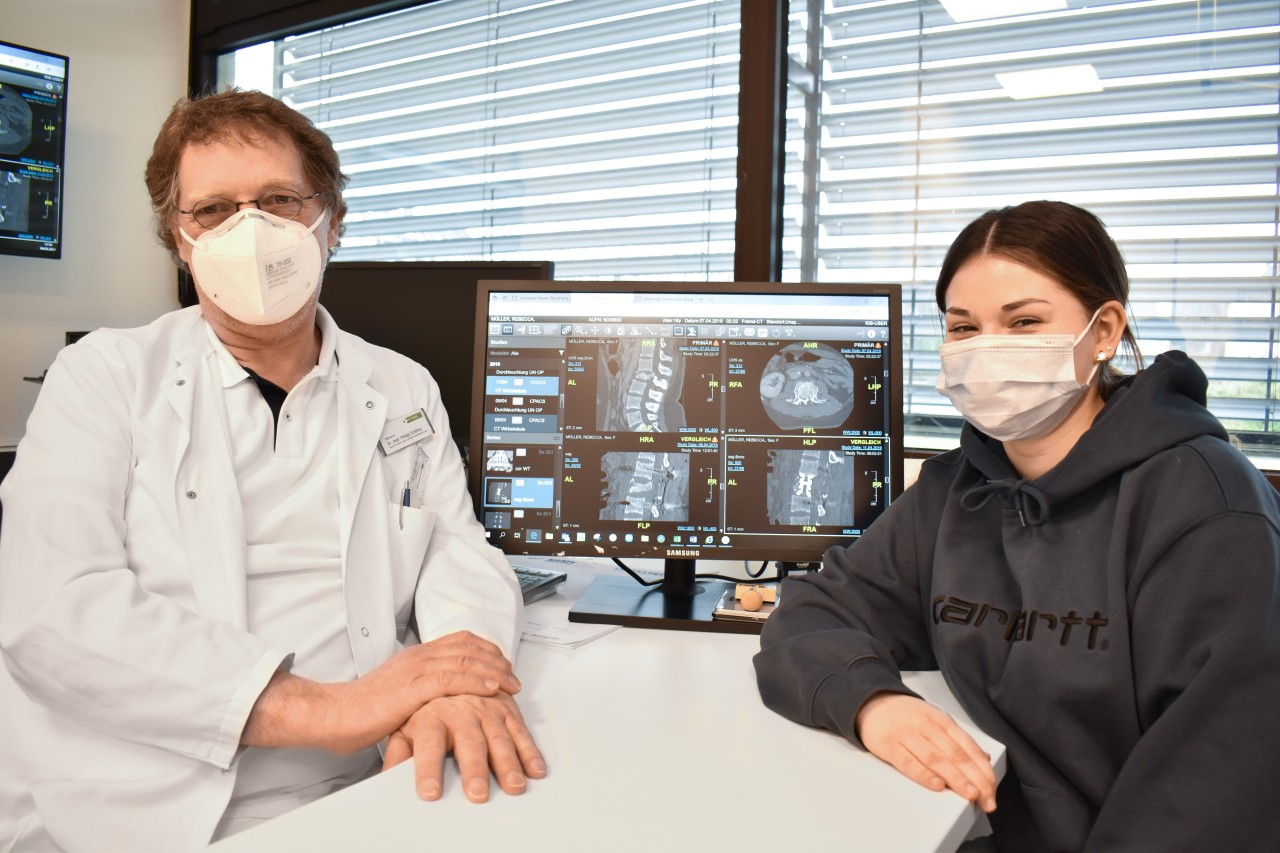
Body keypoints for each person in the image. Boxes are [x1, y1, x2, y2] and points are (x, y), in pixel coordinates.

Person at [0, 89, 544, 851]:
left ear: (331, 222)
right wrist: (330, 708)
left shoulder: (400, 386)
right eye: (214, 210)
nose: (249, 231)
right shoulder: (104, 376)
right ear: (180, 241)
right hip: (143, 803)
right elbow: (53, 610)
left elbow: (459, 552)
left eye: (279, 200)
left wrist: (453, 682)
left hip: (373, 778)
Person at [753, 200, 1280, 851]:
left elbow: (1218, 792)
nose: (988, 350)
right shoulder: (954, 490)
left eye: (1024, 321)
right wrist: (872, 703)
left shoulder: (1208, 509)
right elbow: (811, 613)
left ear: (1105, 328)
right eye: (964, 327)